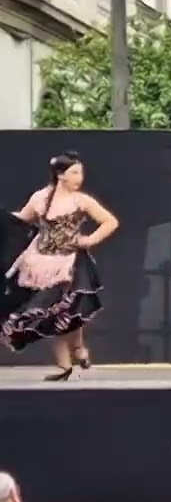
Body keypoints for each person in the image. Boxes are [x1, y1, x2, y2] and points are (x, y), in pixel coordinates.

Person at [0, 151, 117, 380]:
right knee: (56, 311)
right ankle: (70, 359)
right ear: (60, 175)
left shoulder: (81, 200)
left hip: (70, 261)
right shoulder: (40, 198)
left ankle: (73, 356)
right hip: (40, 262)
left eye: (80, 173)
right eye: (74, 173)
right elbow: (22, 220)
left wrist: (89, 240)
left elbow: (110, 221)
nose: (79, 178)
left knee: (68, 307)